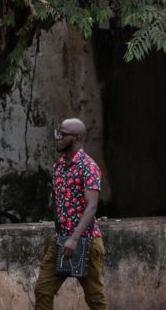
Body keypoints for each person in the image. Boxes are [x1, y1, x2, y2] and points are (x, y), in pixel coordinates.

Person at [34, 118, 108, 310]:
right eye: (57, 133)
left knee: (95, 298)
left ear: (76, 138)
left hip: (86, 240)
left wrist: (74, 239)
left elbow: (91, 206)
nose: (58, 137)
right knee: (43, 290)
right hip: (61, 240)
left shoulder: (88, 166)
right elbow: (59, 204)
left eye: (63, 134)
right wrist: (60, 232)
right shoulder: (58, 166)